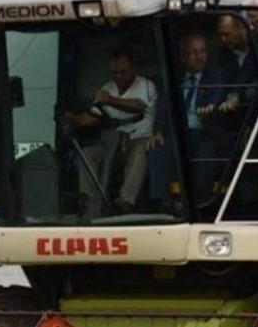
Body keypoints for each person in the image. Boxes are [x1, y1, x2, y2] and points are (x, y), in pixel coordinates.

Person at [65, 47, 157, 213]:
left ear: (133, 69)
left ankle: (126, 200)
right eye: (115, 73)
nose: (119, 76)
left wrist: (110, 100)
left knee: (140, 151)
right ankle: (88, 202)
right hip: (111, 140)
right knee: (88, 153)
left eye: (123, 72)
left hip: (139, 138)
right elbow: (93, 116)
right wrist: (73, 118)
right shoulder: (108, 88)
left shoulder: (146, 85)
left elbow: (138, 106)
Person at [177, 32, 231, 203]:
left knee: (205, 150)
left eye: (202, 51)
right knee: (158, 148)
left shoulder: (216, 74)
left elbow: (219, 92)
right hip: (179, 132)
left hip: (206, 131)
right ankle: (162, 204)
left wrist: (211, 106)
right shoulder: (175, 77)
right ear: (183, 57)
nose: (199, 57)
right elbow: (164, 106)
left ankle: (200, 201)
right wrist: (158, 132)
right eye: (193, 53)